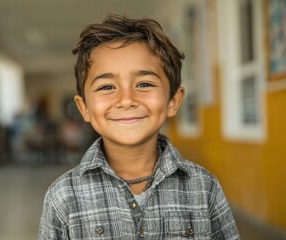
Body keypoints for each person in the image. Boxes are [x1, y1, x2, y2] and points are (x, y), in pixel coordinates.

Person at [39, 14, 240, 239]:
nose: (126, 100)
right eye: (106, 87)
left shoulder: (204, 188)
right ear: (84, 107)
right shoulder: (63, 196)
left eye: (144, 84)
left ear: (173, 101)